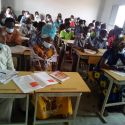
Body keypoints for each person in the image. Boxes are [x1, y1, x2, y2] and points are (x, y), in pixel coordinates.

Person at [0, 42, 15, 123]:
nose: (5, 39)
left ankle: (4, 122)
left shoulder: (6, 49)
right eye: (2, 35)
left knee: (8, 96)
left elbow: (11, 69)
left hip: (4, 81)